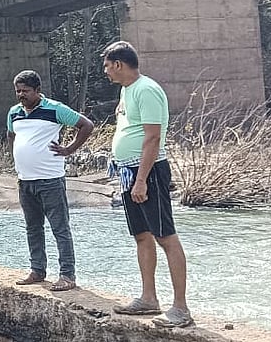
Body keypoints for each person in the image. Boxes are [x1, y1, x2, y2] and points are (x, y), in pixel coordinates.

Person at [101, 41, 193, 328]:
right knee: (142, 235)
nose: (105, 71)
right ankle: (148, 298)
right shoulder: (126, 90)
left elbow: (153, 137)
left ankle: (180, 308)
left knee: (166, 236)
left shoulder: (147, 89)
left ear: (118, 64)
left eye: (107, 65)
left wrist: (141, 180)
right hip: (129, 172)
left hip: (148, 173)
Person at [6, 70, 94, 292]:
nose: (21, 95)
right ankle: (37, 270)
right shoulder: (14, 113)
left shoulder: (55, 109)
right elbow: (11, 134)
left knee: (60, 228)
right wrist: (16, 155)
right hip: (25, 181)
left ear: (37, 90)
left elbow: (86, 125)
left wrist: (69, 149)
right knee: (32, 228)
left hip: (50, 180)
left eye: (26, 91)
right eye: (18, 91)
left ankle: (67, 275)